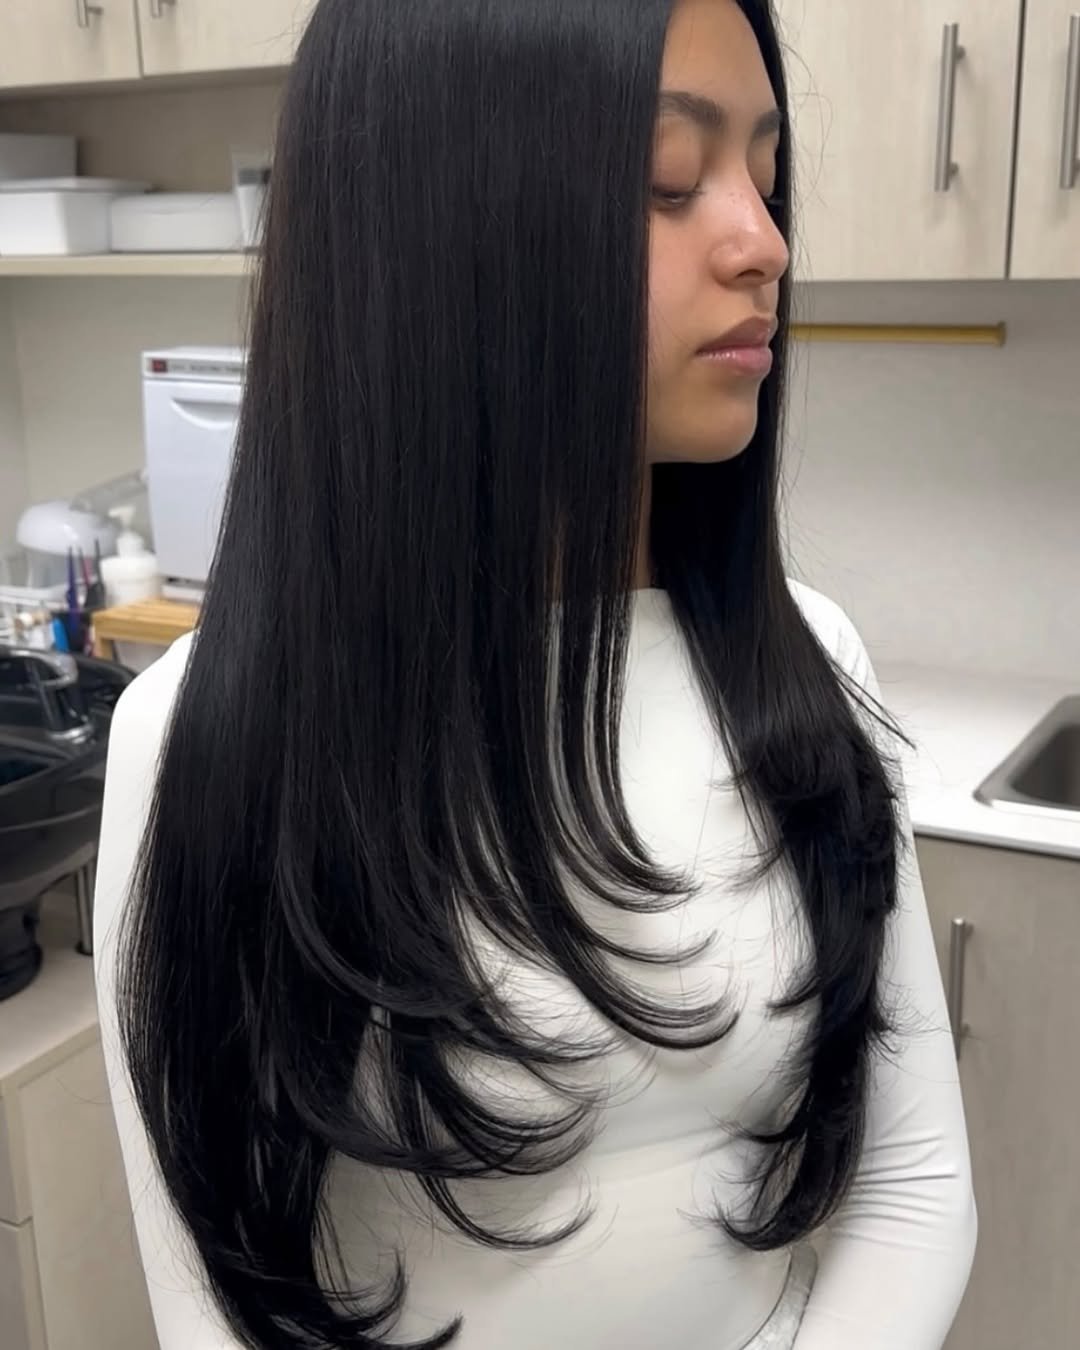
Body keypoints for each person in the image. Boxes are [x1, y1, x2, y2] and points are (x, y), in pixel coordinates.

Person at [93, 1, 977, 1347]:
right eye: (669, 181)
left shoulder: (806, 667)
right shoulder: (204, 738)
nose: (764, 243)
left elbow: (911, 1185)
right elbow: (214, 1291)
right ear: (446, 230)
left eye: (766, 175)